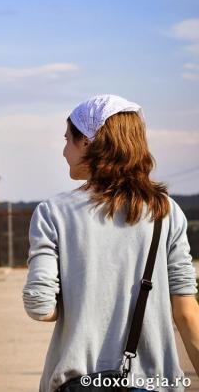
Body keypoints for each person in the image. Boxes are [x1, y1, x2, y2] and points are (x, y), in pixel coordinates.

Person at [23, 95, 199, 391]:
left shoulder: (52, 213)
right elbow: (185, 312)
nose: (64, 151)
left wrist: (79, 302)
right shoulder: (166, 212)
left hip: (78, 381)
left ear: (88, 143)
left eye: (68, 139)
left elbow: (40, 306)